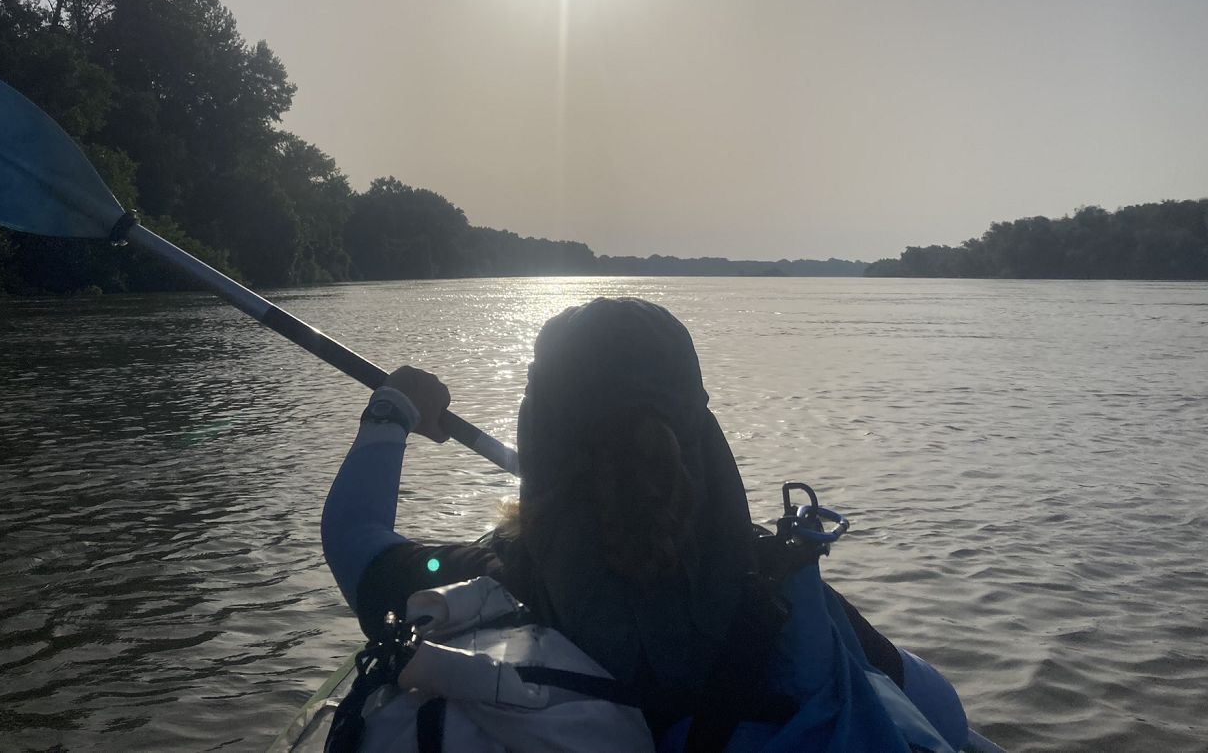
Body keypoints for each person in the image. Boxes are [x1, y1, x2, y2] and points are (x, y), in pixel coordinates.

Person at [322, 297, 967, 751]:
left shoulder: (487, 583)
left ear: (537, 436)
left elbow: (355, 540)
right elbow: (943, 712)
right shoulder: (785, 595)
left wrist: (395, 408)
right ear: (703, 436)